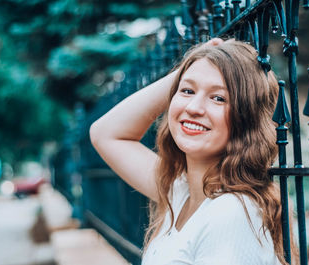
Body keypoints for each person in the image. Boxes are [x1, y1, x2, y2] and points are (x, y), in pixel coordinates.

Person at [90, 38, 297, 265]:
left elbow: (107, 135)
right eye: (187, 91)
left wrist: (191, 75)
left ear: (247, 119)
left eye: (218, 98)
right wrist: (188, 69)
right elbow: (105, 134)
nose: (193, 108)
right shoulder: (181, 192)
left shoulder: (230, 213)